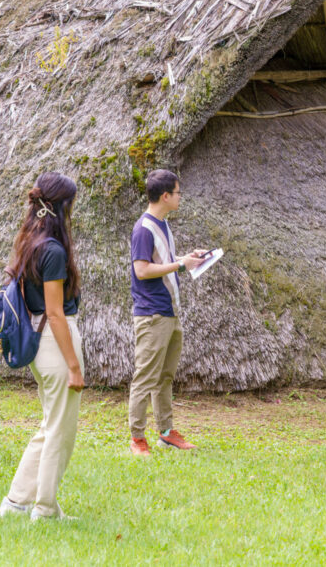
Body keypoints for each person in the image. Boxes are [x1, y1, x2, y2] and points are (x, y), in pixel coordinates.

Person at [0, 172, 85, 521]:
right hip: (55, 340)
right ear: (62, 206)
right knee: (60, 434)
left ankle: (16, 502)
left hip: (40, 342)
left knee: (50, 426)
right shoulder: (53, 250)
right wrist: (75, 366)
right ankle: (45, 509)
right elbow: (55, 311)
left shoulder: (29, 241)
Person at [127, 169, 206, 456]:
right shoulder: (143, 229)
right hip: (153, 315)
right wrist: (180, 265)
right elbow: (142, 270)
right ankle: (137, 439)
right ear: (165, 196)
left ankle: (166, 431)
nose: (180, 196)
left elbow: (163, 261)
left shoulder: (163, 225)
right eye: (177, 192)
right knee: (145, 377)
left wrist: (187, 259)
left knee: (165, 377)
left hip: (171, 312)